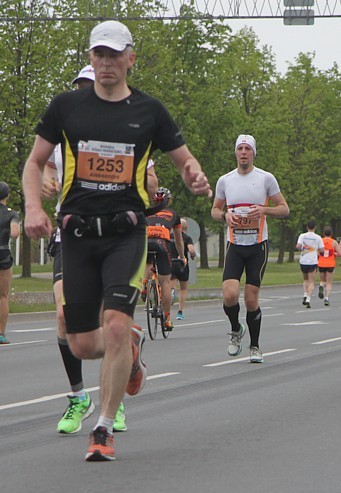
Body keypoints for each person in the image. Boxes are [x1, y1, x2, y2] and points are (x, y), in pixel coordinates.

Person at [22, 20, 211, 461]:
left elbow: (183, 159)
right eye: (98, 55)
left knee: (115, 323)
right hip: (77, 236)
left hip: (127, 233)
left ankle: (104, 428)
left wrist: (193, 174)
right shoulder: (66, 107)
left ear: (130, 58)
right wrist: (33, 207)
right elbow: (35, 163)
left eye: (114, 55)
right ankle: (129, 347)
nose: (106, 63)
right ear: (91, 58)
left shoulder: (150, 111)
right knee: (82, 343)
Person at [41, 66, 136, 434]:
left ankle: (114, 401)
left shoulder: (123, 132)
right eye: (80, 88)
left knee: (107, 324)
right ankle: (79, 397)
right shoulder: (62, 137)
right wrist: (47, 184)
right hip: (70, 236)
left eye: (90, 87)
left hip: (113, 238)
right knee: (66, 320)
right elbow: (44, 168)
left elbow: (151, 176)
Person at [211, 134, 289, 362]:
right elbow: (214, 210)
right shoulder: (225, 180)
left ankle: (255, 346)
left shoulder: (266, 179)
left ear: (253, 153)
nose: (243, 152)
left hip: (257, 247)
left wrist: (264, 211)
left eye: (247, 148)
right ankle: (236, 330)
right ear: (235, 152)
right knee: (229, 295)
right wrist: (224, 215)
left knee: (251, 299)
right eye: (240, 148)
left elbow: (284, 209)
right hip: (234, 246)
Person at [143, 187, 185, 331]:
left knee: (147, 261)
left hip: (146, 241)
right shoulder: (173, 214)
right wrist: (182, 256)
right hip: (162, 243)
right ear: (169, 200)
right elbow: (179, 240)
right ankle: (167, 319)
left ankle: (144, 285)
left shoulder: (146, 211)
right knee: (165, 282)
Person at [0, 182, 20, 345]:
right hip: (3, 254)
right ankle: (0, 333)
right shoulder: (11, 214)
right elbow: (15, 233)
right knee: (3, 296)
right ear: (7, 196)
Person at [171, 218, 197, 320]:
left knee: (170, 285)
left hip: (171, 263)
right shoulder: (187, 238)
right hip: (182, 264)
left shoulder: (169, 236)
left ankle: (171, 292)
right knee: (183, 289)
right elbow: (191, 250)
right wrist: (192, 256)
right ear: (186, 228)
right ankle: (180, 312)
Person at [296, 220, 323, 309]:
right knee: (312, 281)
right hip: (312, 261)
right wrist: (315, 249)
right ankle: (308, 299)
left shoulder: (302, 236)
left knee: (305, 279)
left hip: (303, 260)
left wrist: (304, 247)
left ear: (307, 227)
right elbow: (322, 249)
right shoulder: (318, 237)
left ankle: (305, 293)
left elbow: (298, 246)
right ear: (315, 227)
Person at [317, 227, 341, 306]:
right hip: (330, 264)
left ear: (324, 233)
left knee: (322, 280)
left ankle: (321, 285)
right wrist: (334, 254)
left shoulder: (320, 241)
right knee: (329, 283)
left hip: (321, 263)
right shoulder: (334, 242)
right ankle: (326, 298)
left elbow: (317, 252)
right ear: (331, 234)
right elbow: (340, 253)